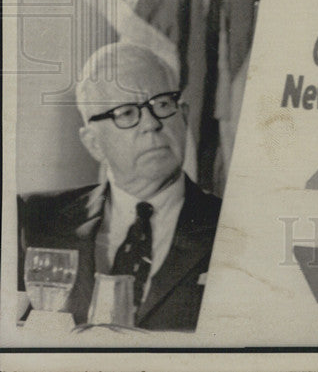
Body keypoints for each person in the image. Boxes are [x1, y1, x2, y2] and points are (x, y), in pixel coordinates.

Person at [18, 42, 221, 332]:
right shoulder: (32, 220)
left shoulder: (233, 226)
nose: (151, 123)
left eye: (163, 104)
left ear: (185, 115)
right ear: (93, 142)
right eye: (126, 113)